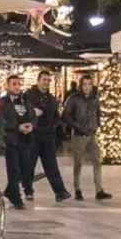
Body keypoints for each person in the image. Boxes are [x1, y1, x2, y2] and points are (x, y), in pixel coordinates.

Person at [24, 70, 70, 202]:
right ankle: (28, 191)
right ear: (38, 80)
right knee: (29, 165)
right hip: (33, 135)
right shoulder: (28, 95)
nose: (46, 83)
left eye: (48, 80)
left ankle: (60, 192)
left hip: (48, 136)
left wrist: (55, 124)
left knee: (51, 165)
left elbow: (56, 116)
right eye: (44, 79)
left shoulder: (51, 99)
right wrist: (32, 113)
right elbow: (21, 111)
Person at [62, 73, 111, 201]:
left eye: (89, 84)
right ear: (80, 85)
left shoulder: (95, 98)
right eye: (85, 84)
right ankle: (77, 189)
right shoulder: (74, 98)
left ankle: (99, 190)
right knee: (78, 163)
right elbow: (66, 115)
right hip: (79, 135)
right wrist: (77, 127)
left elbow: (98, 113)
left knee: (97, 162)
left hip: (92, 134)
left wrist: (96, 125)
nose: (87, 87)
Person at [0, 75, 35, 209]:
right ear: (7, 86)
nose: (17, 87)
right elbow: (1, 121)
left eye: (19, 84)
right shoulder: (2, 103)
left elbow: (32, 116)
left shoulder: (25, 101)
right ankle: (16, 198)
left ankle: (10, 191)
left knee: (25, 169)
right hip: (11, 140)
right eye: (14, 84)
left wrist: (31, 125)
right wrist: (16, 127)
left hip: (25, 140)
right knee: (14, 170)